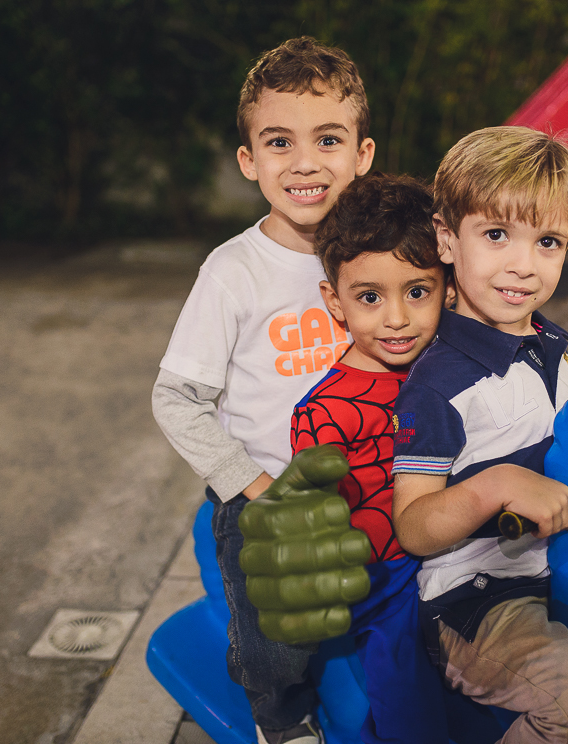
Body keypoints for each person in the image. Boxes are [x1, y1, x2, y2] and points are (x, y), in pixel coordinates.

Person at [153, 36, 374, 744]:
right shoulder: (234, 271)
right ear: (250, 162)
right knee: (278, 643)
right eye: (279, 142)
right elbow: (176, 399)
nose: (305, 162)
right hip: (266, 499)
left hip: (369, 488)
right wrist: (251, 485)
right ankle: (278, 717)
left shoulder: (376, 254)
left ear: (362, 155)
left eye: (328, 139)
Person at [390, 126, 568, 744]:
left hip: (560, 564)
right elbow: (414, 528)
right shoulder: (440, 382)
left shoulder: (548, 348)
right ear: (448, 239)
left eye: (547, 241)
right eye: (496, 235)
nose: (522, 265)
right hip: (478, 603)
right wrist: (494, 486)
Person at [289, 172, 452, 744]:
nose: (397, 319)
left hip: (451, 559)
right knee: (411, 711)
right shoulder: (327, 411)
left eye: (416, 291)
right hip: (380, 586)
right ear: (335, 302)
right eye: (369, 297)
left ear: (447, 288)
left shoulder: (444, 370)